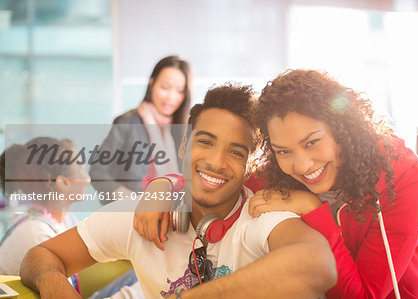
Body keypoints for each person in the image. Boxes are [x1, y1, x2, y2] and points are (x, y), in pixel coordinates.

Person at [20, 83, 337, 299]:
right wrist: (55, 286)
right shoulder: (141, 212)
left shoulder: (260, 218)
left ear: (250, 167)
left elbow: (317, 264)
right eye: (206, 142)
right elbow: (41, 255)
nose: (216, 162)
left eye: (236, 152)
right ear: (184, 144)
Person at [248, 69, 418, 298]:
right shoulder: (276, 176)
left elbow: (363, 296)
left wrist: (314, 209)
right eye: (283, 151)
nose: (302, 166)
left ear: (343, 130)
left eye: (312, 142)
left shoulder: (402, 178)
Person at [89, 55, 192, 200]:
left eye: (179, 91)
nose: (171, 97)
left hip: (171, 214)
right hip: (130, 214)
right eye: (165, 87)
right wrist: (131, 200)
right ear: (151, 84)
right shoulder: (127, 123)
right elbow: (98, 172)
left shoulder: (183, 130)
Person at [0, 137, 89, 291]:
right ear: (63, 183)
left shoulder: (64, 219)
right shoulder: (36, 235)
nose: (87, 178)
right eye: (80, 169)